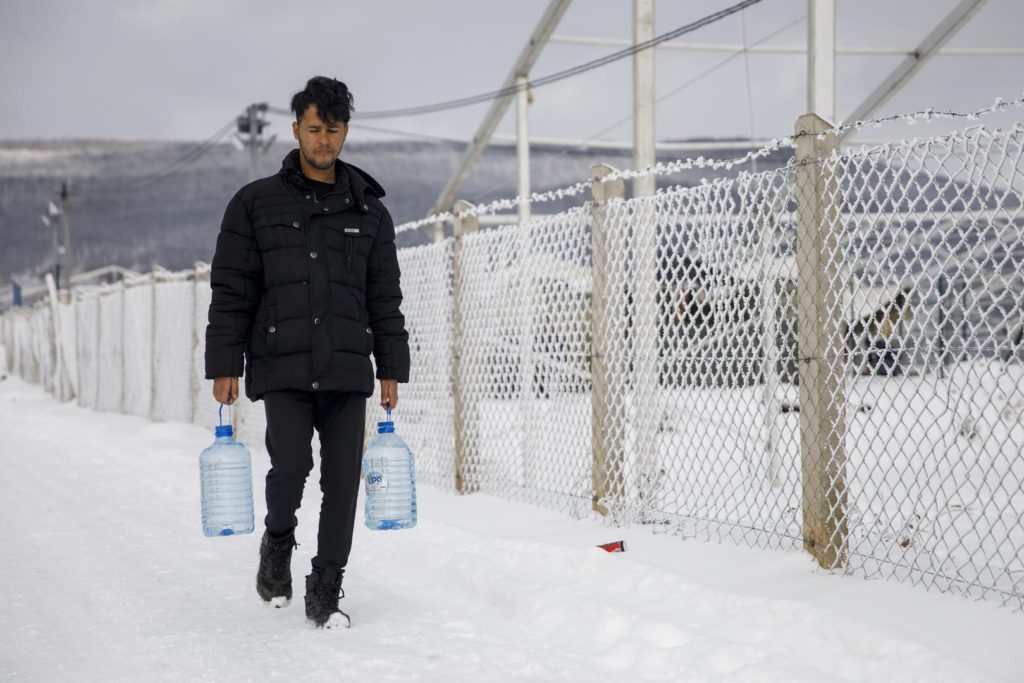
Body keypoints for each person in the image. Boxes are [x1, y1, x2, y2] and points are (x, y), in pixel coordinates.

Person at [204, 76, 410, 629]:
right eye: (314, 129)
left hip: (346, 367)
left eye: (333, 129)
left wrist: (391, 366)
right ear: (295, 129)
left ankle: (326, 588)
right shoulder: (254, 205)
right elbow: (233, 289)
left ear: (346, 131)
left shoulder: (369, 212)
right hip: (283, 365)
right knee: (291, 467)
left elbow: (384, 297)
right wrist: (224, 362)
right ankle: (277, 543)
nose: (324, 140)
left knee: (343, 480)